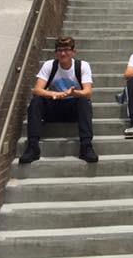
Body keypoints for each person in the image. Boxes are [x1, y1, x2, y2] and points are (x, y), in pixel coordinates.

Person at [19, 36, 98, 164]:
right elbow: (37, 90)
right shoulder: (49, 65)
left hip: (73, 110)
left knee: (84, 101)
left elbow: (88, 92)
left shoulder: (82, 66)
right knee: (36, 101)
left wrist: (74, 93)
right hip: (54, 107)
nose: (63, 53)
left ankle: (86, 146)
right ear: (56, 52)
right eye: (60, 50)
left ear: (73, 52)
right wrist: (54, 94)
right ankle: (32, 147)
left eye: (66, 50)